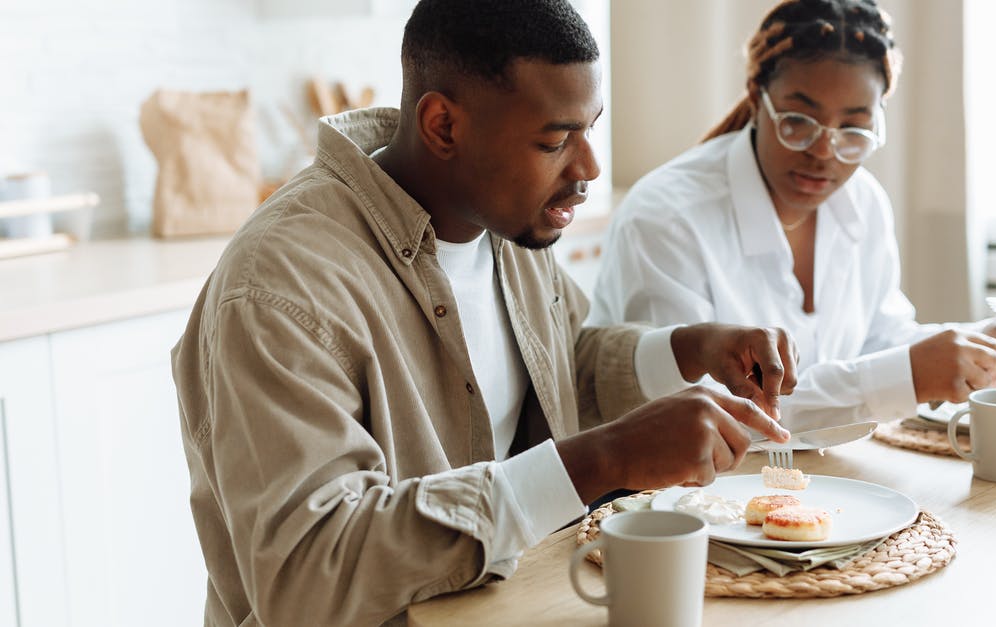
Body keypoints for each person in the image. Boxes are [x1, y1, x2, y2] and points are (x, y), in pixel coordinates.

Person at [170, 1, 799, 624]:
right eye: (555, 140)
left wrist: (689, 349)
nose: (588, 168)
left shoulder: (504, 221)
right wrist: (602, 460)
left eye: (589, 128)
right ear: (443, 126)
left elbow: (555, 367)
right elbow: (309, 569)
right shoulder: (281, 286)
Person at [588, 0, 996, 430]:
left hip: (822, 477)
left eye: (854, 128)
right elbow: (698, 416)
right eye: (799, 121)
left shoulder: (861, 201)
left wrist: (977, 347)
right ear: (758, 98)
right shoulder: (666, 218)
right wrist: (907, 375)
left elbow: (881, 340)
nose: (824, 151)